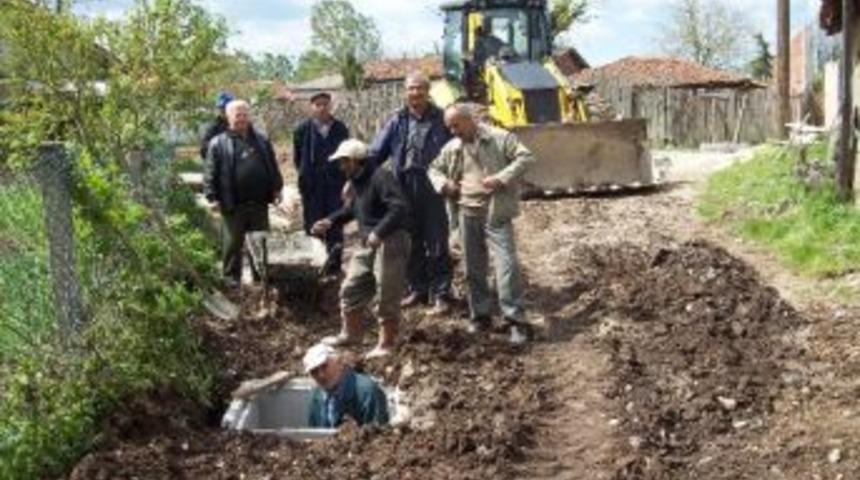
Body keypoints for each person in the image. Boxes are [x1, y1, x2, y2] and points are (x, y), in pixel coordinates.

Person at [429, 104, 535, 344]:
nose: (453, 131)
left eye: (456, 125)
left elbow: (526, 157)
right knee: (473, 268)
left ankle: (515, 321)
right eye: (449, 127)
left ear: (470, 120)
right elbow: (433, 169)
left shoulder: (499, 138)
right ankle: (480, 316)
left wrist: (501, 178)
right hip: (466, 212)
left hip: (495, 212)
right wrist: (444, 184)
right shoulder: (453, 147)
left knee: (506, 266)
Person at [312, 140, 411, 359]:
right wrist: (330, 221)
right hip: (368, 241)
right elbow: (352, 210)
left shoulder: (381, 177)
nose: (341, 167)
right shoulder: (357, 181)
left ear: (355, 161)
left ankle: (387, 344)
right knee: (351, 287)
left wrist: (380, 232)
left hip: (391, 240)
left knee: (386, 293)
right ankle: (351, 334)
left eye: (343, 162)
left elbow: (399, 208)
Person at [368, 72, 454, 316]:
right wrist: (359, 179)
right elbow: (376, 152)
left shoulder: (441, 118)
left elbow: (457, 147)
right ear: (405, 92)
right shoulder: (397, 119)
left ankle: (441, 294)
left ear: (427, 91)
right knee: (411, 238)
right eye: (411, 89)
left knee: (437, 239)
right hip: (403, 185)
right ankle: (418, 289)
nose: (415, 93)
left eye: (419, 88)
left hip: (432, 184)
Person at [204, 100, 284, 288]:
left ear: (249, 116)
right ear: (228, 117)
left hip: (259, 203)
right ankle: (232, 282)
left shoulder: (262, 140)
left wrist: (277, 188)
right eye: (237, 115)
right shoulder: (218, 143)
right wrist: (212, 196)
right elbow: (210, 172)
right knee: (232, 245)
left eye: (244, 114)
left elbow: (272, 166)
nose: (241, 118)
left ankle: (261, 280)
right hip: (232, 204)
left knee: (259, 243)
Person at [293, 92, 350, 276]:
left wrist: (346, 180)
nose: (322, 107)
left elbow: (346, 156)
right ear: (311, 107)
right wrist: (306, 176)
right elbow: (298, 159)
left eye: (325, 104)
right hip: (312, 186)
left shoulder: (340, 128)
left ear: (330, 106)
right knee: (313, 225)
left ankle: (334, 267)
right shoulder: (302, 129)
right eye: (318, 104)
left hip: (335, 184)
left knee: (335, 223)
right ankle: (314, 267)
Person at [304, 343, 390, 428]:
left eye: (324, 367)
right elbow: (313, 433)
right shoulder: (317, 396)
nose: (321, 375)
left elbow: (377, 431)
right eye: (314, 372)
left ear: (340, 363)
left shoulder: (367, 392)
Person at [199, 91, 234, 161]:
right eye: (222, 108)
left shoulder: (241, 125)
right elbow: (204, 151)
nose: (224, 110)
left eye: (227, 107)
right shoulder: (212, 128)